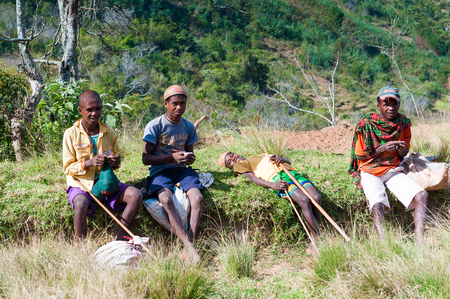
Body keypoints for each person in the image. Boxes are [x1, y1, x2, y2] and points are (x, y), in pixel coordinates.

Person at [348, 86, 428, 242]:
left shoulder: (403, 124)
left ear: (399, 104)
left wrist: (402, 150)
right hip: (370, 170)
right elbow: (359, 155)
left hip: (392, 169)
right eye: (386, 104)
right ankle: (384, 244)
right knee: (377, 204)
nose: (391, 108)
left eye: (394, 104)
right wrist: (381, 149)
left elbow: (402, 155)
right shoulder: (367, 123)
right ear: (378, 106)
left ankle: (420, 243)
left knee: (421, 195)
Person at [63, 90, 143, 240]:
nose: (94, 113)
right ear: (80, 111)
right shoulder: (70, 134)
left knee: (136, 195)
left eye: (98, 109)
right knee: (80, 203)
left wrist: (115, 162)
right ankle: (82, 248)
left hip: (106, 183)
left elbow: (116, 158)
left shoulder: (109, 132)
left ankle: (120, 241)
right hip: (81, 185)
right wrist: (89, 163)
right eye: (89, 110)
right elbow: (67, 168)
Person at [142, 85, 203, 259]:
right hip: (160, 171)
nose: (179, 108)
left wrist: (189, 158)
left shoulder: (188, 127)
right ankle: (188, 246)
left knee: (197, 198)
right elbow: (145, 158)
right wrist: (171, 158)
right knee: (165, 198)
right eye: (175, 103)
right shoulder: (155, 126)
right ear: (166, 104)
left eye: (182, 104)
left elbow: (190, 153)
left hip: (181, 170)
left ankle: (189, 243)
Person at [219, 152, 322, 254]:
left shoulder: (259, 155)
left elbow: (288, 162)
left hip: (292, 173)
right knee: (304, 200)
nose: (234, 159)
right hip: (278, 179)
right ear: (230, 167)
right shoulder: (239, 165)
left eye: (232, 155)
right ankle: (318, 241)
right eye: (230, 162)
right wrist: (272, 185)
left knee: (316, 197)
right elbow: (252, 178)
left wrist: (281, 159)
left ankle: (315, 241)